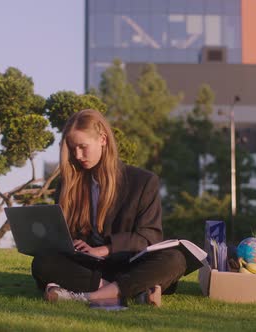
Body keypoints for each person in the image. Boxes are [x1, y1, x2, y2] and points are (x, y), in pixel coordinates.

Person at [31, 109, 187, 307]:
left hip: (129, 262)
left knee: (175, 259)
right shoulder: (68, 184)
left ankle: (88, 296)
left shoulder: (143, 182)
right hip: (88, 267)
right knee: (43, 262)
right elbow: (64, 235)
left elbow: (149, 237)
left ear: (103, 140)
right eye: (72, 148)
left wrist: (103, 250)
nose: (78, 155)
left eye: (83, 147)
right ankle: (133, 291)